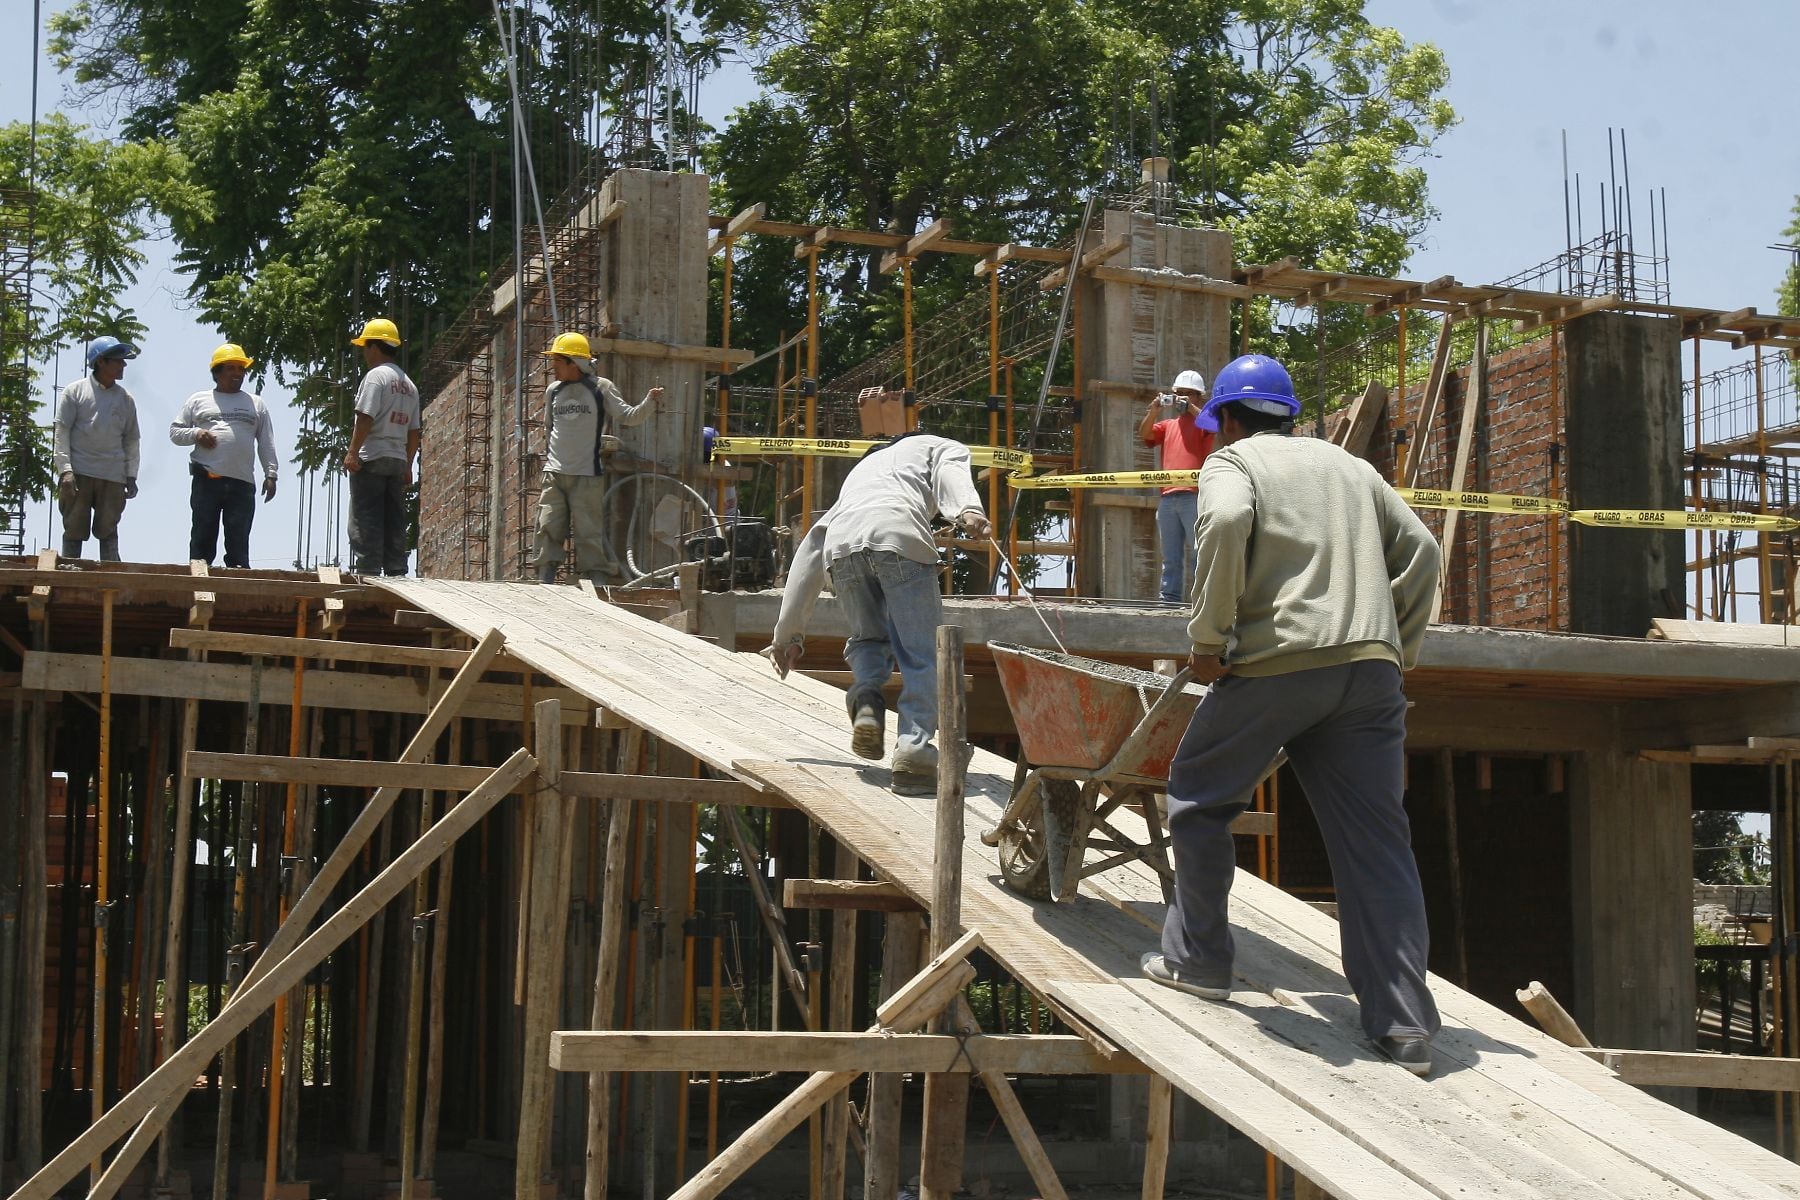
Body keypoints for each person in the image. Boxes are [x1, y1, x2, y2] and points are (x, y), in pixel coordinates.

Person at [1139, 354, 1443, 1076]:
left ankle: (1201, 960)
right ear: (1289, 412)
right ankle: (1403, 1028)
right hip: (1370, 675)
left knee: (1199, 799)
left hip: (1276, 664)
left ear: (1223, 420)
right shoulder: (1351, 469)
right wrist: (1396, 644)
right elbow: (1425, 551)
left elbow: (1225, 524)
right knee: (1377, 844)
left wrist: (1208, 642)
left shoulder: (1232, 464)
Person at [761, 431, 990, 795]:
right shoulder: (938, 444)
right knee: (922, 654)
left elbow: (810, 551)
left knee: (869, 638)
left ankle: (867, 697)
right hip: (898, 534)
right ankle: (914, 752)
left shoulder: (863, 473)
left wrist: (785, 637)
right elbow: (951, 469)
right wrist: (968, 510)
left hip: (841, 548)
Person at [531, 331, 662, 584]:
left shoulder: (600, 388)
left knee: (588, 532)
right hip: (555, 474)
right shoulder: (553, 391)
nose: (553, 368)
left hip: (587, 475)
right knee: (547, 526)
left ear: (574, 363)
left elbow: (629, 416)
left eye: (557, 362)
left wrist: (649, 402)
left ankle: (597, 582)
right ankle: (544, 580)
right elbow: (549, 427)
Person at [170, 343, 279, 568]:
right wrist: (197, 433)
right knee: (203, 537)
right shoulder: (199, 400)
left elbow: (266, 441)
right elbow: (175, 432)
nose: (237, 374)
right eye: (231, 368)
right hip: (208, 479)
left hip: (242, 483)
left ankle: (238, 590)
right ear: (217, 372)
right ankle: (200, 582)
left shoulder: (255, 404)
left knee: (238, 543)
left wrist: (271, 473)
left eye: (241, 369)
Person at [343, 319, 421, 576]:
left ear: (375, 347)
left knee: (366, 518)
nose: (364, 353)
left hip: (372, 458)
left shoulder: (376, 377)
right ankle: (397, 570)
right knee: (394, 520)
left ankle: (367, 571)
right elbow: (414, 431)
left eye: (366, 347)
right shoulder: (409, 385)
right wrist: (409, 465)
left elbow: (365, 416)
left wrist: (353, 452)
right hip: (397, 460)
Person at [53, 336, 143, 562]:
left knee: (109, 529)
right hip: (79, 473)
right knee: (74, 528)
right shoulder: (75, 392)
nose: (123, 365)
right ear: (101, 361)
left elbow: (132, 440)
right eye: (118, 361)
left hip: (112, 476)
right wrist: (65, 470)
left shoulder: (125, 399)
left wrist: (131, 475)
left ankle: (111, 575)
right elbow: (61, 431)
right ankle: (70, 574)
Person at [1137, 368, 1213, 604]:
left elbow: (1213, 424)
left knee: (1199, 552)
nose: (1182, 398)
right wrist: (1154, 411)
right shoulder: (1168, 425)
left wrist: (1190, 406)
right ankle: (1169, 600)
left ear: (1199, 396)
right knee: (1170, 556)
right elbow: (1145, 434)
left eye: (1189, 394)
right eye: (1179, 393)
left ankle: (1202, 601)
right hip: (1168, 498)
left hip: (1193, 496)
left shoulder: (1203, 422)